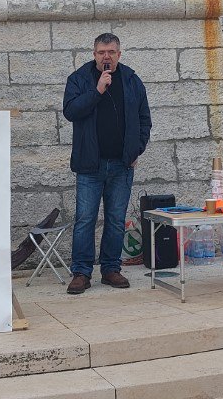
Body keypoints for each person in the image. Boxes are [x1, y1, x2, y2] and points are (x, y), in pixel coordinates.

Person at [62, 33, 152, 294]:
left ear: (119, 54)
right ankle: (81, 272)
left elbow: (144, 119)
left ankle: (111, 269)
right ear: (94, 54)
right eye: (101, 52)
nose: (106, 57)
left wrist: (137, 149)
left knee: (115, 220)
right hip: (90, 164)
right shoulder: (79, 79)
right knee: (85, 219)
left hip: (122, 165)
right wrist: (98, 90)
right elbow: (71, 111)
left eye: (111, 52)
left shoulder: (132, 80)